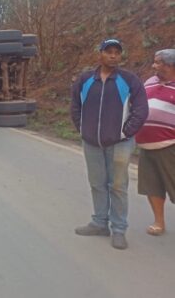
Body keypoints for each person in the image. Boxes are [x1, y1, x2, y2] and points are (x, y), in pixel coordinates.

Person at [70, 38, 149, 250]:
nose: (113, 55)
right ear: (100, 54)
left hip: (120, 143)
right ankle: (99, 223)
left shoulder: (129, 80)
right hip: (91, 143)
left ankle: (119, 229)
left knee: (118, 186)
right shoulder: (86, 79)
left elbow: (141, 110)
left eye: (117, 52)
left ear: (120, 56)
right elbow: (75, 106)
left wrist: (126, 131)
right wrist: (82, 128)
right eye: (109, 51)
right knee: (97, 184)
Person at [135, 49, 175, 236]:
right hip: (146, 145)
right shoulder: (150, 82)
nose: (154, 65)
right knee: (152, 186)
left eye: (158, 62)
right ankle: (159, 222)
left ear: (170, 65)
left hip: (170, 146)